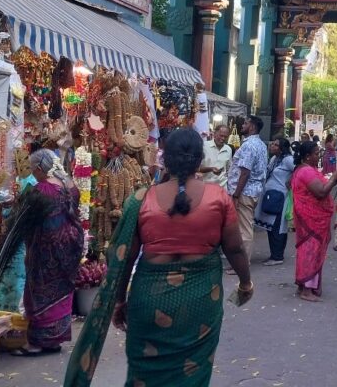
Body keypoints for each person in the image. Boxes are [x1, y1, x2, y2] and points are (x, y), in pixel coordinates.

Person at [65, 128, 253, 387]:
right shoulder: (219, 198)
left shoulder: (140, 200)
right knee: (192, 375)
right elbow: (235, 249)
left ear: (165, 159)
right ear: (199, 161)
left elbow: (123, 261)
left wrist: (119, 302)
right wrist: (246, 283)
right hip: (200, 305)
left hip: (148, 303)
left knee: (145, 374)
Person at [21, 149, 85, 354]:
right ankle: (55, 339)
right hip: (70, 246)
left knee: (41, 291)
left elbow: (25, 221)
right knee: (63, 289)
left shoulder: (40, 190)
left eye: (33, 170)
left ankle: (37, 342)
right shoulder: (70, 185)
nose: (33, 174)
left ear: (40, 169)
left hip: (46, 249)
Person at [291, 141, 337, 302]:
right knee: (311, 250)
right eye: (316, 153)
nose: (319, 156)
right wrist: (334, 177)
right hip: (311, 219)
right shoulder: (306, 171)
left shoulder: (307, 169)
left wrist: (335, 179)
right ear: (307, 156)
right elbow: (321, 192)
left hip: (312, 218)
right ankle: (306, 289)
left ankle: (306, 285)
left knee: (311, 249)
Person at [227, 115, 267, 267]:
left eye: (245, 123)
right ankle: (239, 262)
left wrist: (236, 194)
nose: (242, 126)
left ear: (252, 127)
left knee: (243, 229)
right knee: (242, 227)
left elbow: (245, 172)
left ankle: (241, 264)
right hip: (251, 191)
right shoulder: (261, 144)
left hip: (245, 192)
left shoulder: (250, 145)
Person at [256, 137, 294, 266]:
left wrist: (292, 180)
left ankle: (277, 256)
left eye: (276, 145)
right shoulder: (274, 159)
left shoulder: (288, 159)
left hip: (280, 196)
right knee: (270, 226)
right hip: (270, 195)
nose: (272, 146)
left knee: (277, 226)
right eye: (272, 143)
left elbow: (299, 169)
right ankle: (274, 254)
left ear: (282, 148)